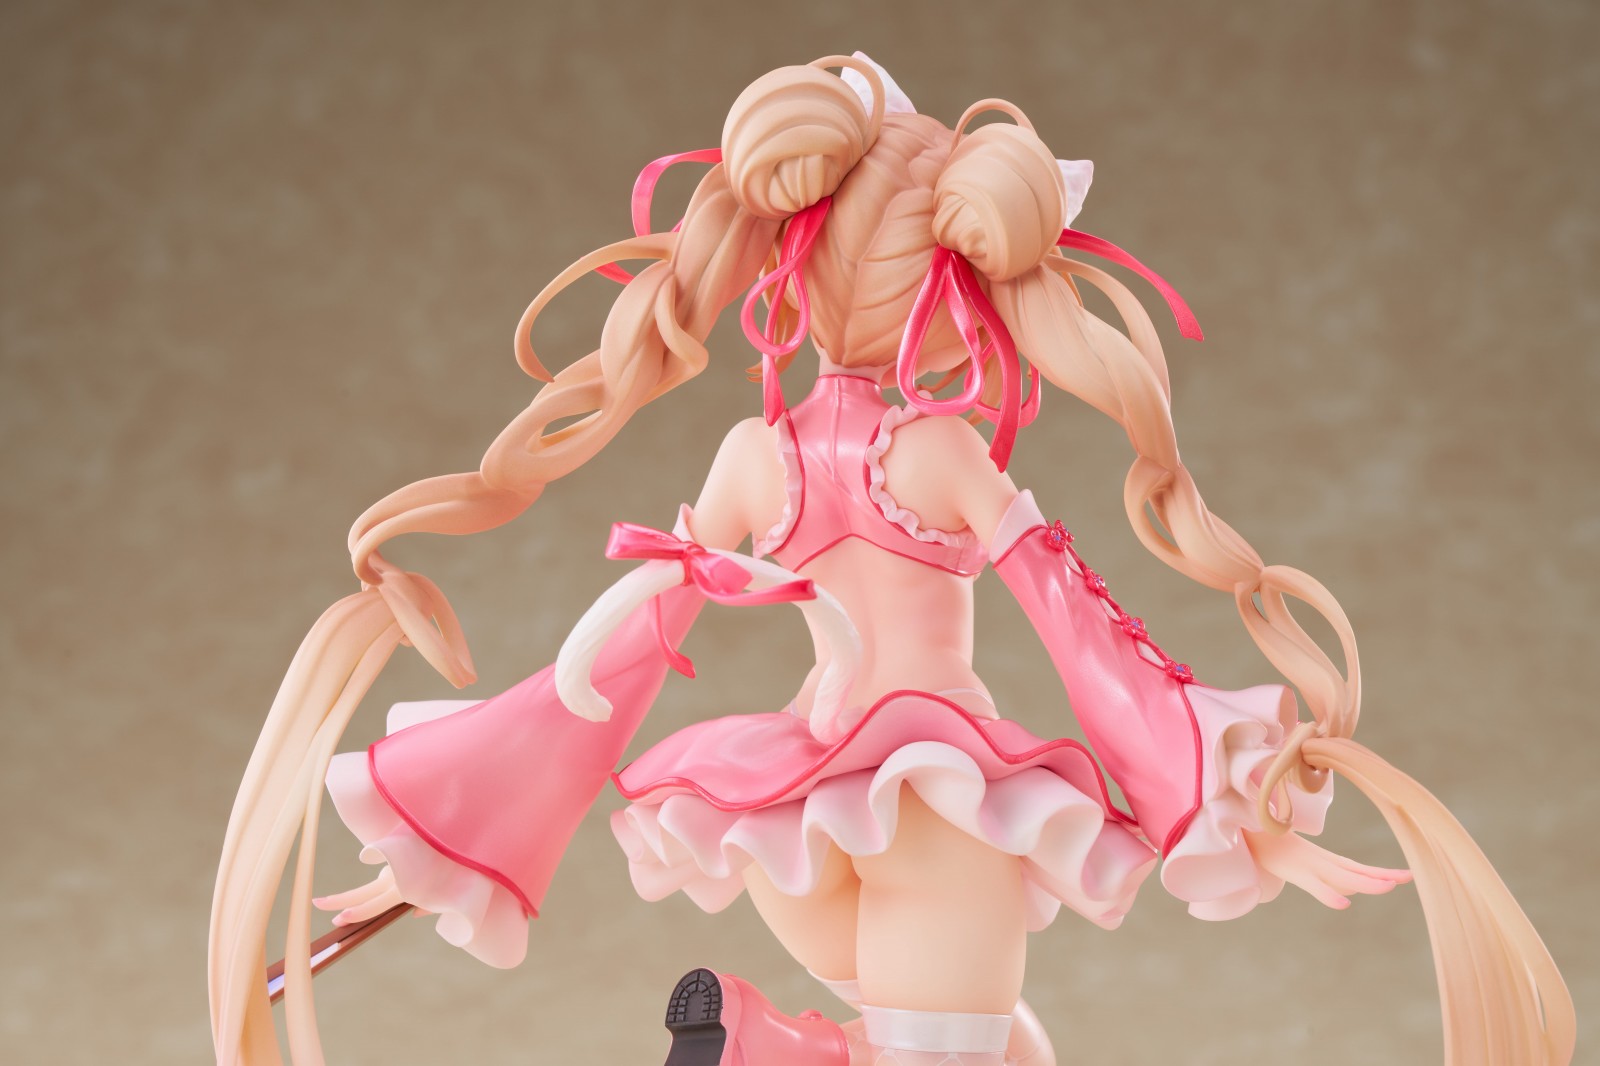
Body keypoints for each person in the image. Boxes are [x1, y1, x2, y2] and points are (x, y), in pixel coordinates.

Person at [208, 54, 1574, 1066]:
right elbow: (1076, 623)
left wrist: (463, 823)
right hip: (938, 813)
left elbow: (613, 661)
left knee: (1002, 1052)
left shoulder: (754, 456)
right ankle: (767, 1053)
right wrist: (1216, 768)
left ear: (789, 263)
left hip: (795, 818)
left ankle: (774, 1045)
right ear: (953, 292)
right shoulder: (939, 453)